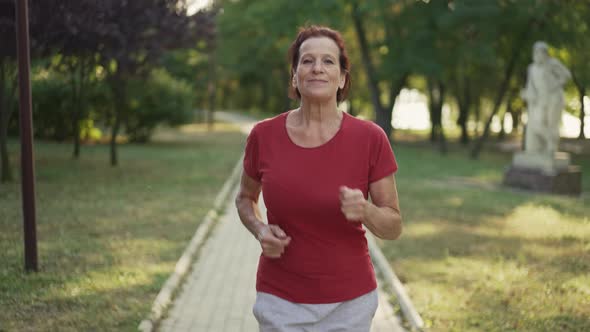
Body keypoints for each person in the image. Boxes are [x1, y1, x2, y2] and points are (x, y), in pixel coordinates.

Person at [235, 25, 402, 332]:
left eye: (328, 61)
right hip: (280, 300)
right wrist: (260, 230)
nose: (317, 68)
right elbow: (245, 198)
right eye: (307, 60)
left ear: (342, 78)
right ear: (294, 76)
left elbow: (393, 225)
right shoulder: (264, 135)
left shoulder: (370, 138)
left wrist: (366, 211)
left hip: (349, 304)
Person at [521, 41, 571, 154]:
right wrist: (527, 94)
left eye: (540, 52)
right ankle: (549, 141)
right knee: (537, 124)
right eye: (536, 52)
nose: (538, 55)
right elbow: (530, 85)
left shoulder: (552, 63)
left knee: (551, 123)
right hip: (540, 99)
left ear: (545, 54)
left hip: (554, 98)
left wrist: (556, 84)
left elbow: (567, 74)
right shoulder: (531, 68)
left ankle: (550, 148)